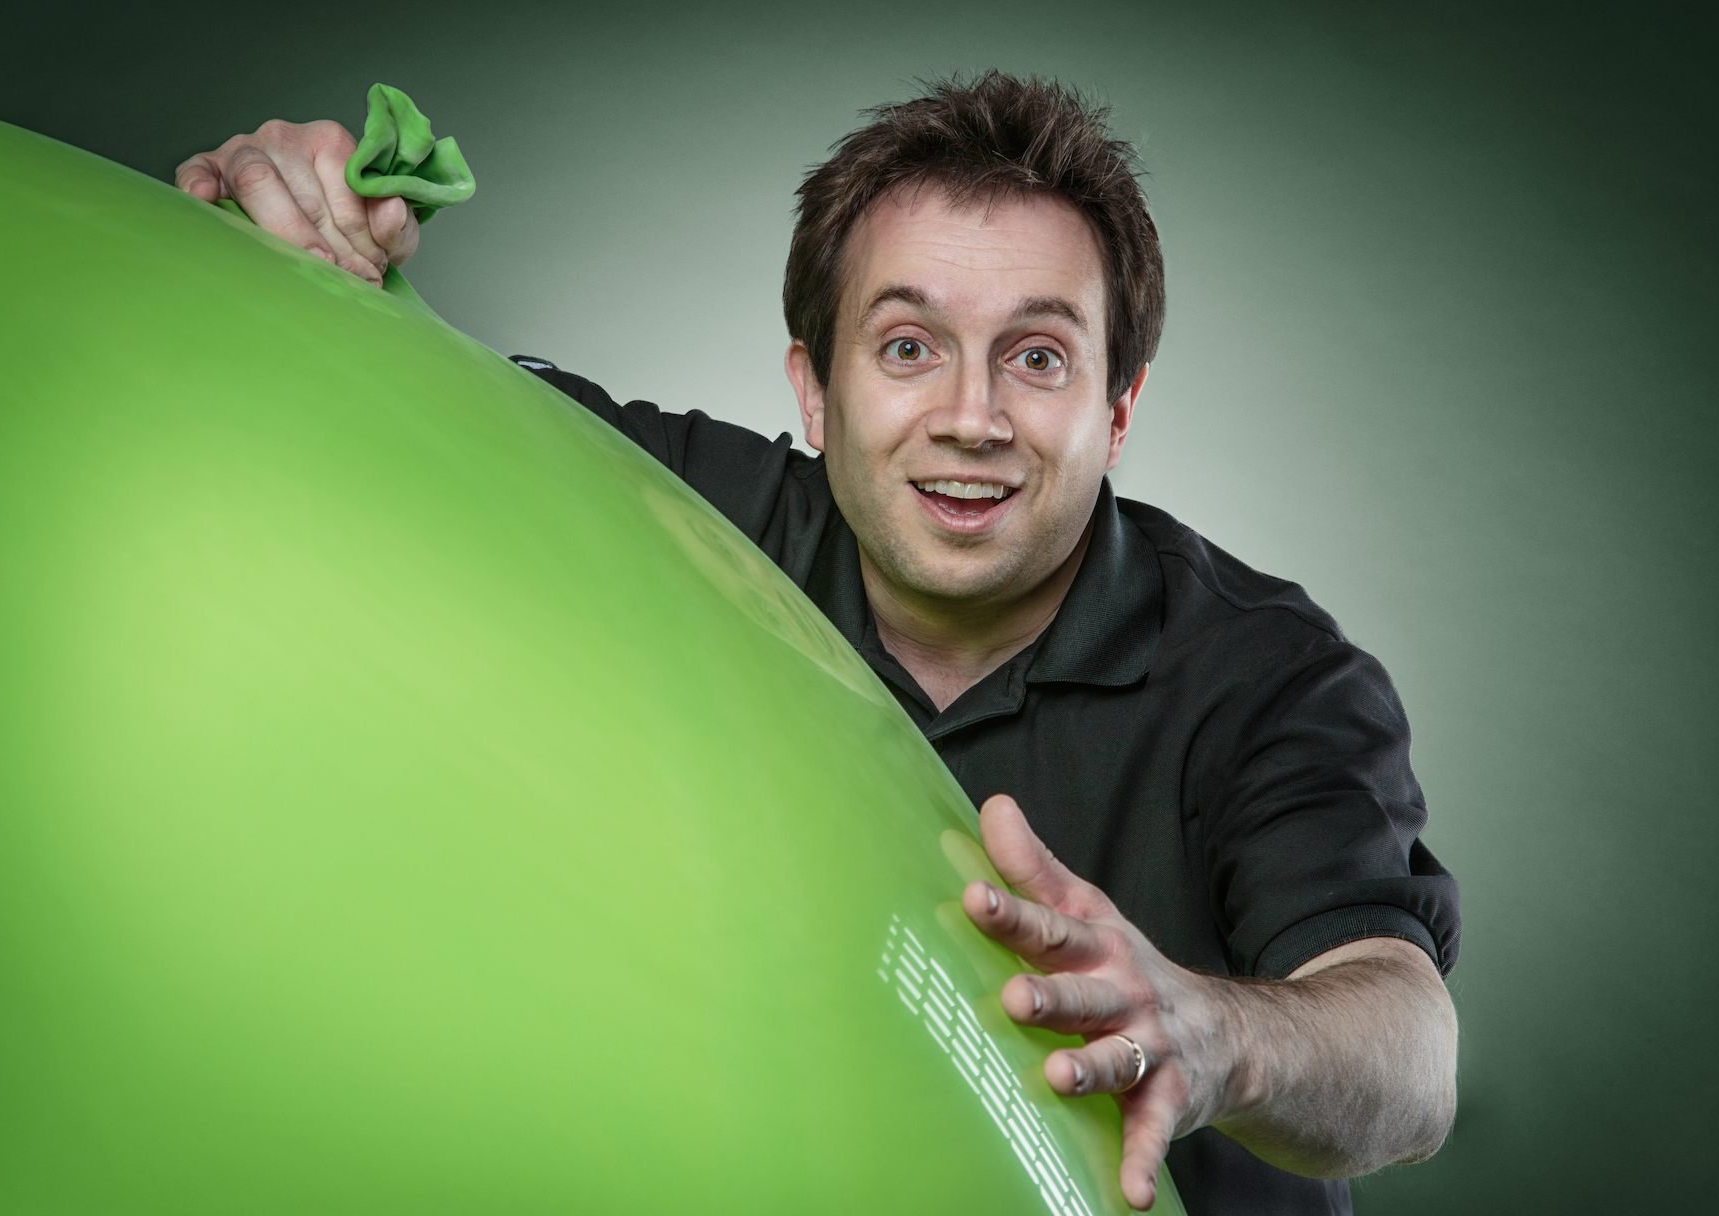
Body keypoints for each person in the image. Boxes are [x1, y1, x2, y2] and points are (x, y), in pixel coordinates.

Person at [176, 72, 1460, 1215]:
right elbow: (370, 403)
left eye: (1037, 357)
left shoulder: (1274, 674)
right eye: (909, 347)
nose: (971, 416)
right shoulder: (685, 511)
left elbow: (1407, 1058)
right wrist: (284, 228)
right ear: (812, 387)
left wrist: (1208, 1031)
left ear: (1117, 409)